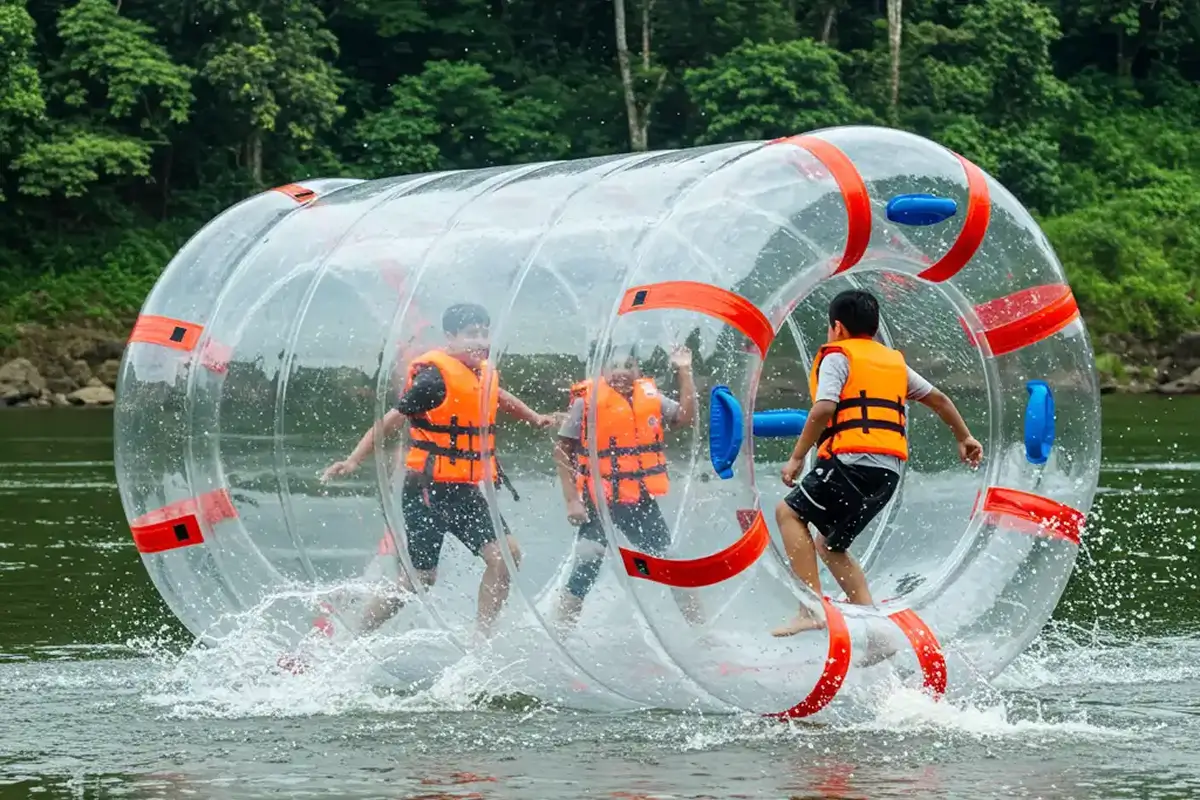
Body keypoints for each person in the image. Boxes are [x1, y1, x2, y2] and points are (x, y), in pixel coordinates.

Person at [322, 302, 556, 638]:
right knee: (421, 579)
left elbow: (499, 395)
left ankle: (481, 643)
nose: (480, 340)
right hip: (426, 491)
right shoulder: (433, 380)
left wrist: (534, 417)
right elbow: (390, 420)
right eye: (471, 333)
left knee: (506, 556)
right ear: (450, 337)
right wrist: (354, 459)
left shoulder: (482, 371)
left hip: (464, 491)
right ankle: (356, 634)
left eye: (484, 332)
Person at [772, 289, 983, 637]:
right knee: (830, 544)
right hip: (887, 473)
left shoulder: (837, 357)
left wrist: (796, 458)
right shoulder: (893, 362)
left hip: (851, 461)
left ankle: (809, 608)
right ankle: (876, 635)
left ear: (837, 327)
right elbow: (940, 399)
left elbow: (824, 408)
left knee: (788, 513)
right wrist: (964, 437)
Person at [552, 342, 706, 633]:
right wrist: (572, 500)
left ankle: (704, 633)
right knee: (586, 565)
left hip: (639, 501)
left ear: (638, 370)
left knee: (671, 563)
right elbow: (562, 453)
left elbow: (685, 417)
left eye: (628, 366)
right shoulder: (585, 402)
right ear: (603, 370)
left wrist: (684, 369)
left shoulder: (650, 396)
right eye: (615, 366)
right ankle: (561, 637)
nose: (621, 373)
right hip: (598, 503)